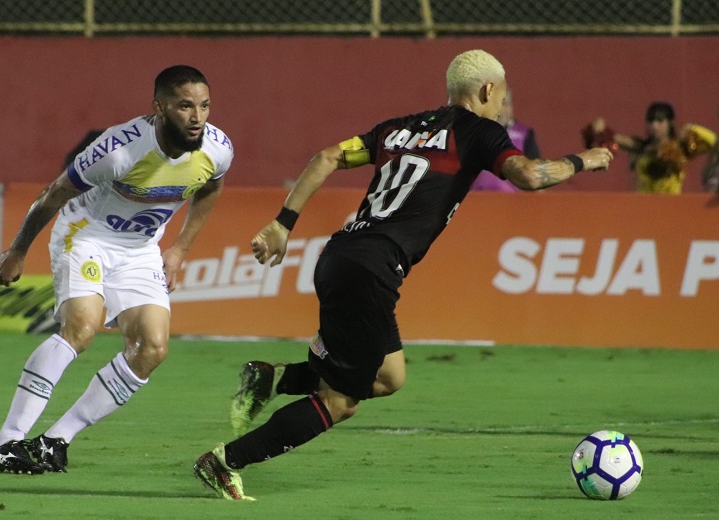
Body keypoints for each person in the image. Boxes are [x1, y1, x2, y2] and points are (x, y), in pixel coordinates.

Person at [192, 49, 614, 500]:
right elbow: (530, 176)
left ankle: (273, 379)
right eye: (501, 95)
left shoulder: (398, 129)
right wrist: (584, 160)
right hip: (371, 272)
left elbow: (327, 156)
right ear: (489, 91)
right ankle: (224, 461)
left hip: (341, 257)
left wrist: (282, 223)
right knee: (340, 402)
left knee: (389, 376)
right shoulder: (481, 132)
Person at [0, 64, 233, 474]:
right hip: (86, 237)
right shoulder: (119, 150)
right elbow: (51, 195)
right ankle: (6, 443)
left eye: (204, 106)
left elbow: (212, 186)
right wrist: (17, 251)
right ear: (159, 107)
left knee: (152, 348)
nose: (197, 117)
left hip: (140, 250)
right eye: (185, 106)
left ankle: (55, 440)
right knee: (82, 328)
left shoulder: (217, 148)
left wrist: (179, 249)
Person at [584, 102, 716, 194]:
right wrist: (599, 129)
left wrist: (693, 129)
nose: (654, 126)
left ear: (670, 123)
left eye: (659, 121)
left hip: (671, 207)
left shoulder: (680, 147)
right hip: (643, 206)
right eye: (650, 121)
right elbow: (607, 137)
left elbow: (714, 142)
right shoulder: (640, 147)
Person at [471, 87, 540, 192]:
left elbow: (536, 175)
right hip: (476, 201)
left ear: (510, 108)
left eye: (503, 103)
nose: (499, 109)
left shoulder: (524, 135)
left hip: (511, 202)